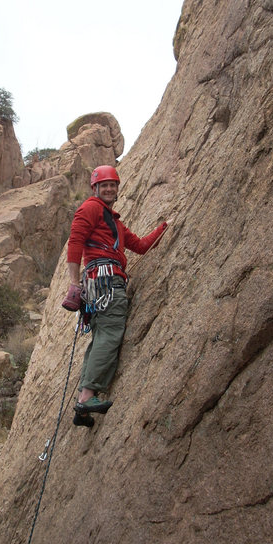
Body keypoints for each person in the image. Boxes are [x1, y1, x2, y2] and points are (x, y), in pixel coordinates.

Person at [62, 165, 167, 427]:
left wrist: (164, 227)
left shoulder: (115, 223)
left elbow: (142, 246)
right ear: (95, 188)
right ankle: (87, 397)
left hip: (102, 282)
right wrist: (73, 283)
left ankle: (82, 405)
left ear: (117, 189)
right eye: (103, 185)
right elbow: (75, 242)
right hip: (106, 282)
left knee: (100, 337)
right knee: (110, 333)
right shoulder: (91, 208)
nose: (109, 189)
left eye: (112, 185)